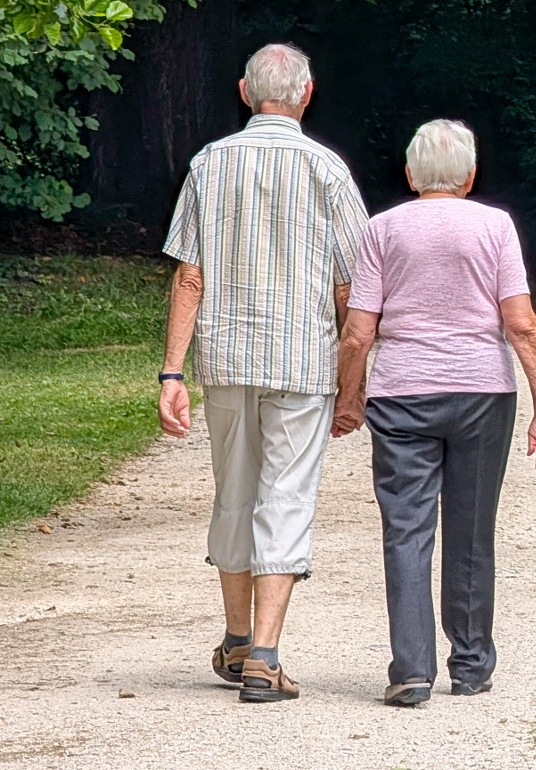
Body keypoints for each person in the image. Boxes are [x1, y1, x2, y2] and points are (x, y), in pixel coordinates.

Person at [158, 43, 368, 703]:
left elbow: (189, 275)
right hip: (303, 362)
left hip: (225, 358)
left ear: (245, 91)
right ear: (306, 95)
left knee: (234, 494)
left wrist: (171, 373)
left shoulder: (208, 163)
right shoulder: (328, 170)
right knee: (286, 498)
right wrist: (352, 380)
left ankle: (237, 637)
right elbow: (352, 288)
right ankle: (266, 656)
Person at [332, 119, 536, 707]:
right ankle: (472, 663)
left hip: (401, 393)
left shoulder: (381, 229)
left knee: (405, 531)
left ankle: (410, 669)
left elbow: (358, 333)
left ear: (409, 174)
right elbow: (521, 323)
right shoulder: (495, 227)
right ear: (471, 175)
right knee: (472, 527)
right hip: (483, 393)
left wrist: (350, 397)